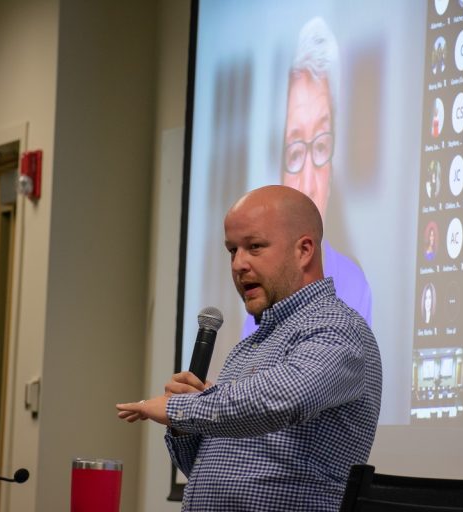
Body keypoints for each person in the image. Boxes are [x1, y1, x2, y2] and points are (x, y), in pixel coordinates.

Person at [117, 185, 383, 512]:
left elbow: (283, 400)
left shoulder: (337, 327)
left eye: (254, 247)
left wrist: (178, 408)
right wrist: (185, 428)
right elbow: (213, 470)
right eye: (232, 250)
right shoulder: (246, 349)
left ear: (304, 251)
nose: (238, 264)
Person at [243, 17, 372, 338]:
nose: (310, 181)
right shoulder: (260, 290)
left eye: (322, 145)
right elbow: (251, 386)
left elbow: (297, 387)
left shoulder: (351, 285)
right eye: (296, 152)